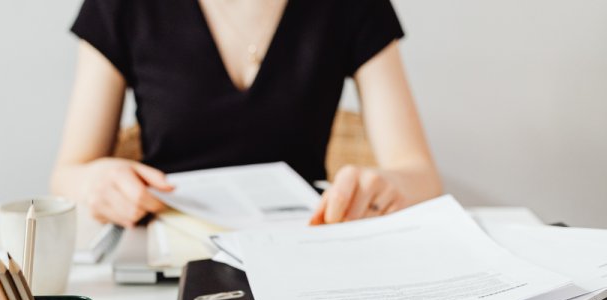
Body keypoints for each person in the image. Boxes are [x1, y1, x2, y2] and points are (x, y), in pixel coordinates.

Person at [51, 0, 441, 228]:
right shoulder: (123, 6)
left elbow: (421, 176)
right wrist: (96, 182)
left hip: (303, 245)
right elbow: (68, 173)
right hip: (169, 249)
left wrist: (386, 187)